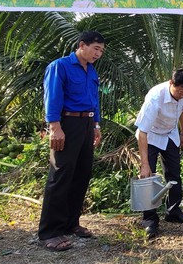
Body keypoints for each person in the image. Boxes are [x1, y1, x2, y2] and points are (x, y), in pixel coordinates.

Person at [38, 31, 105, 252]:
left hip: (86, 125)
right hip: (66, 124)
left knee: (81, 173)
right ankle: (50, 232)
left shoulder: (91, 70)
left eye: (101, 51)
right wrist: (55, 128)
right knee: (61, 174)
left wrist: (96, 125)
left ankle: (71, 223)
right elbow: (52, 97)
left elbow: (94, 99)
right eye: (96, 48)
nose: (98, 54)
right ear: (82, 45)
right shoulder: (60, 66)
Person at [135, 69, 183, 239]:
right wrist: (144, 164)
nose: (182, 95)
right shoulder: (155, 98)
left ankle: (173, 211)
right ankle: (149, 220)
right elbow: (142, 132)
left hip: (170, 134)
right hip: (151, 135)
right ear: (170, 83)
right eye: (179, 92)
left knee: (174, 174)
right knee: (149, 177)